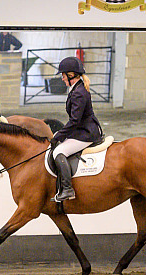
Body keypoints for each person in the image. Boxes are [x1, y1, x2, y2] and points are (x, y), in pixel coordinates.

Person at [50, 56, 103, 202]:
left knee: (58, 152)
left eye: (63, 75)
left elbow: (74, 120)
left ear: (70, 75)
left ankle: (67, 189)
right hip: (82, 129)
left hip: (86, 133)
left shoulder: (79, 92)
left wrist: (59, 136)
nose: (62, 79)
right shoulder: (77, 88)